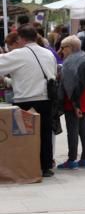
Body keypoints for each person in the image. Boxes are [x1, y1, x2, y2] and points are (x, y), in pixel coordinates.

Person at [0, 25, 58, 177]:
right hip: (46, 98)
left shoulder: (18, 54)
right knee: (45, 134)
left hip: (25, 100)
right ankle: (45, 167)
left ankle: (25, 165)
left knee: (23, 136)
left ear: (20, 38)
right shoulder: (48, 53)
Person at [56, 35, 85, 170]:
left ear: (70, 47)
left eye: (63, 47)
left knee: (72, 130)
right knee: (83, 129)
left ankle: (71, 159)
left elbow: (69, 85)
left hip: (73, 100)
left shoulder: (69, 62)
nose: (61, 50)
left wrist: (75, 104)